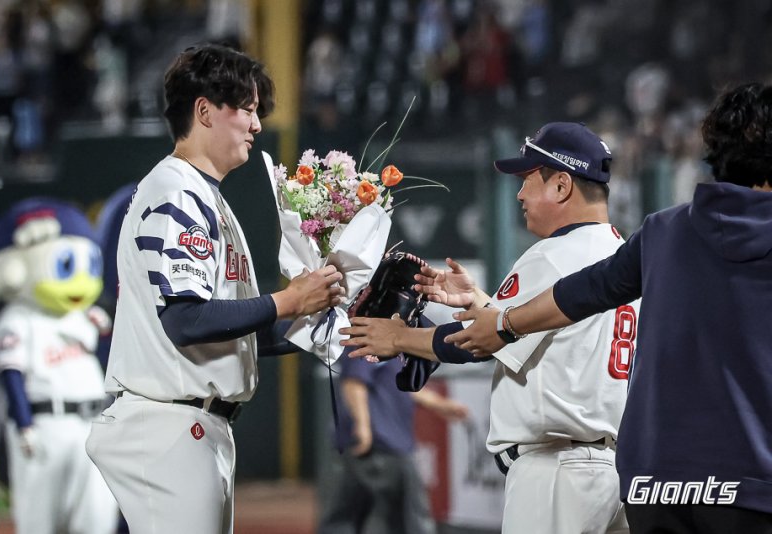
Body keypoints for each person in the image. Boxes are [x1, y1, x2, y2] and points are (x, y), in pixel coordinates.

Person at [445, 83, 772, 533]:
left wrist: (503, 322)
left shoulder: (663, 232)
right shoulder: (647, 234)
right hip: (750, 483)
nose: (519, 193)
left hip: (655, 484)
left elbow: (582, 292)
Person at [85, 43, 344, 534]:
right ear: (203, 110)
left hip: (191, 428)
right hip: (171, 427)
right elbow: (186, 321)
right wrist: (289, 300)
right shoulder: (177, 191)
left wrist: (318, 323)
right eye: (246, 109)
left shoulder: (202, 194)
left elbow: (227, 330)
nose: (257, 124)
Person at [340, 122, 637, 533]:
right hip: (612, 472)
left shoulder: (553, 254)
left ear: (562, 185)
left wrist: (399, 337)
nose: (519, 193)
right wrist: (481, 302)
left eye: (529, 178)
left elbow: (476, 343)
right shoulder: (621, 257)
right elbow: (525, 330)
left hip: (556, 473)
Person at [0, 199, 119, 534]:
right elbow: (11, 374)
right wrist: (24, 423)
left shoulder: (84, 316)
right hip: (44, 425)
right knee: (40, 520)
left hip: (92, 423)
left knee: (97, 517)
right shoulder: (18, 319)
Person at [318, 352, 469, 534]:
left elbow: (399, 385)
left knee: (348, 516)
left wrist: (439, 404)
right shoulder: (365, 336)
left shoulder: (389, 342)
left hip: (383, 443)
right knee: (401, 518)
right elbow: (353, 383)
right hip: (380, 445)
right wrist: (363, 427)